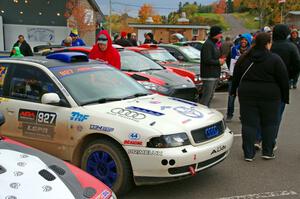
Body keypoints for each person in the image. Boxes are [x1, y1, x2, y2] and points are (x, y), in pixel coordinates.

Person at [230, 32, 289, 161]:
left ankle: (248, 153)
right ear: (268, 43)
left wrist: (233, 91)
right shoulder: (275, 59)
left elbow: (236, 77)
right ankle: (267, 151)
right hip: (271, 95)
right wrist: (285, 97)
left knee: (249, 124)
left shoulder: (244, 58)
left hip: (247, 94)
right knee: (269, 123)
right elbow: (283, 79)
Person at [226, 33, 252, 121]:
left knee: (243, 99)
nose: (243, 41)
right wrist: (231, 70)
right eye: (242, 40)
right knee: (231, 97)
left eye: (245, 40)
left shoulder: (250, 51)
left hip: (245, 78)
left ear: (248, 41)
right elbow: (228, 60)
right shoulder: (234, 49)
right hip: (233, 77)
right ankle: (229, 114)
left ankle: (243, 116)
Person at [199, 26, 225, 107]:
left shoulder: (214, 44)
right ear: (216, 34)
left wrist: (220, 59)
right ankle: (203, 114)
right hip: (209, 76)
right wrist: (218, 61)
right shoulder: (208, 44)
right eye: (220, 33)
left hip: (214, 75)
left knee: (210, 97)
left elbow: (213, 57)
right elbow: (206, 59)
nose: (221, 35)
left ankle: (207, 114)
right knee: (206, 98)